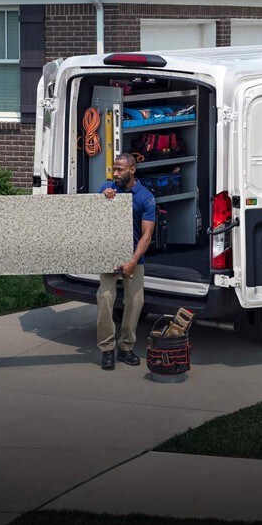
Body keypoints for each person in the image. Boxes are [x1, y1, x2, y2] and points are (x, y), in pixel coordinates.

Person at [98, 155, 157, 370]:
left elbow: (147, 234)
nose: (115, 174)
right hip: (109, 254)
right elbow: (92, 217)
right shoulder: (106, 188)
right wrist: (103, 199)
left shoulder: (146, 197)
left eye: (120, 170)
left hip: (134, 256)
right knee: (105, 298)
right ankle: (106, 349)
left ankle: (126, 347)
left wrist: (133, 261)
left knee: (135, 301)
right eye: (114, 169)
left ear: (132, 170)